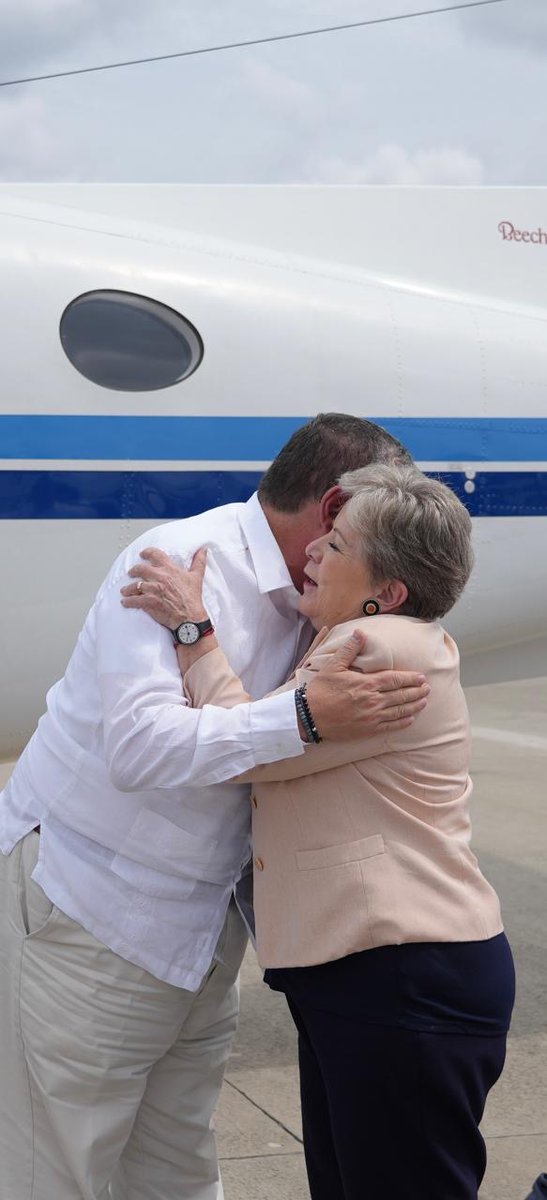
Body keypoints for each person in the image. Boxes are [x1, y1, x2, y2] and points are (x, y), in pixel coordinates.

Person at [0, 415, 430, 1200]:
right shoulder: (172, 564)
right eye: (375, 515)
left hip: (199, 937)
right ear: (333, 506)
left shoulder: (327, 600)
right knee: (53, 1173)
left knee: (176, 1173)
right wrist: (300, 717)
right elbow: (141, 750)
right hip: (90, 915)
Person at [131, 463, 516, 1200]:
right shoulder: (385, 635)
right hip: (382, 971)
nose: (310, 552)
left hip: (400, 972)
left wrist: (193, 630)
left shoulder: (368, 650)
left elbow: (247, 745)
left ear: (387, 589)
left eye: (335, 546)